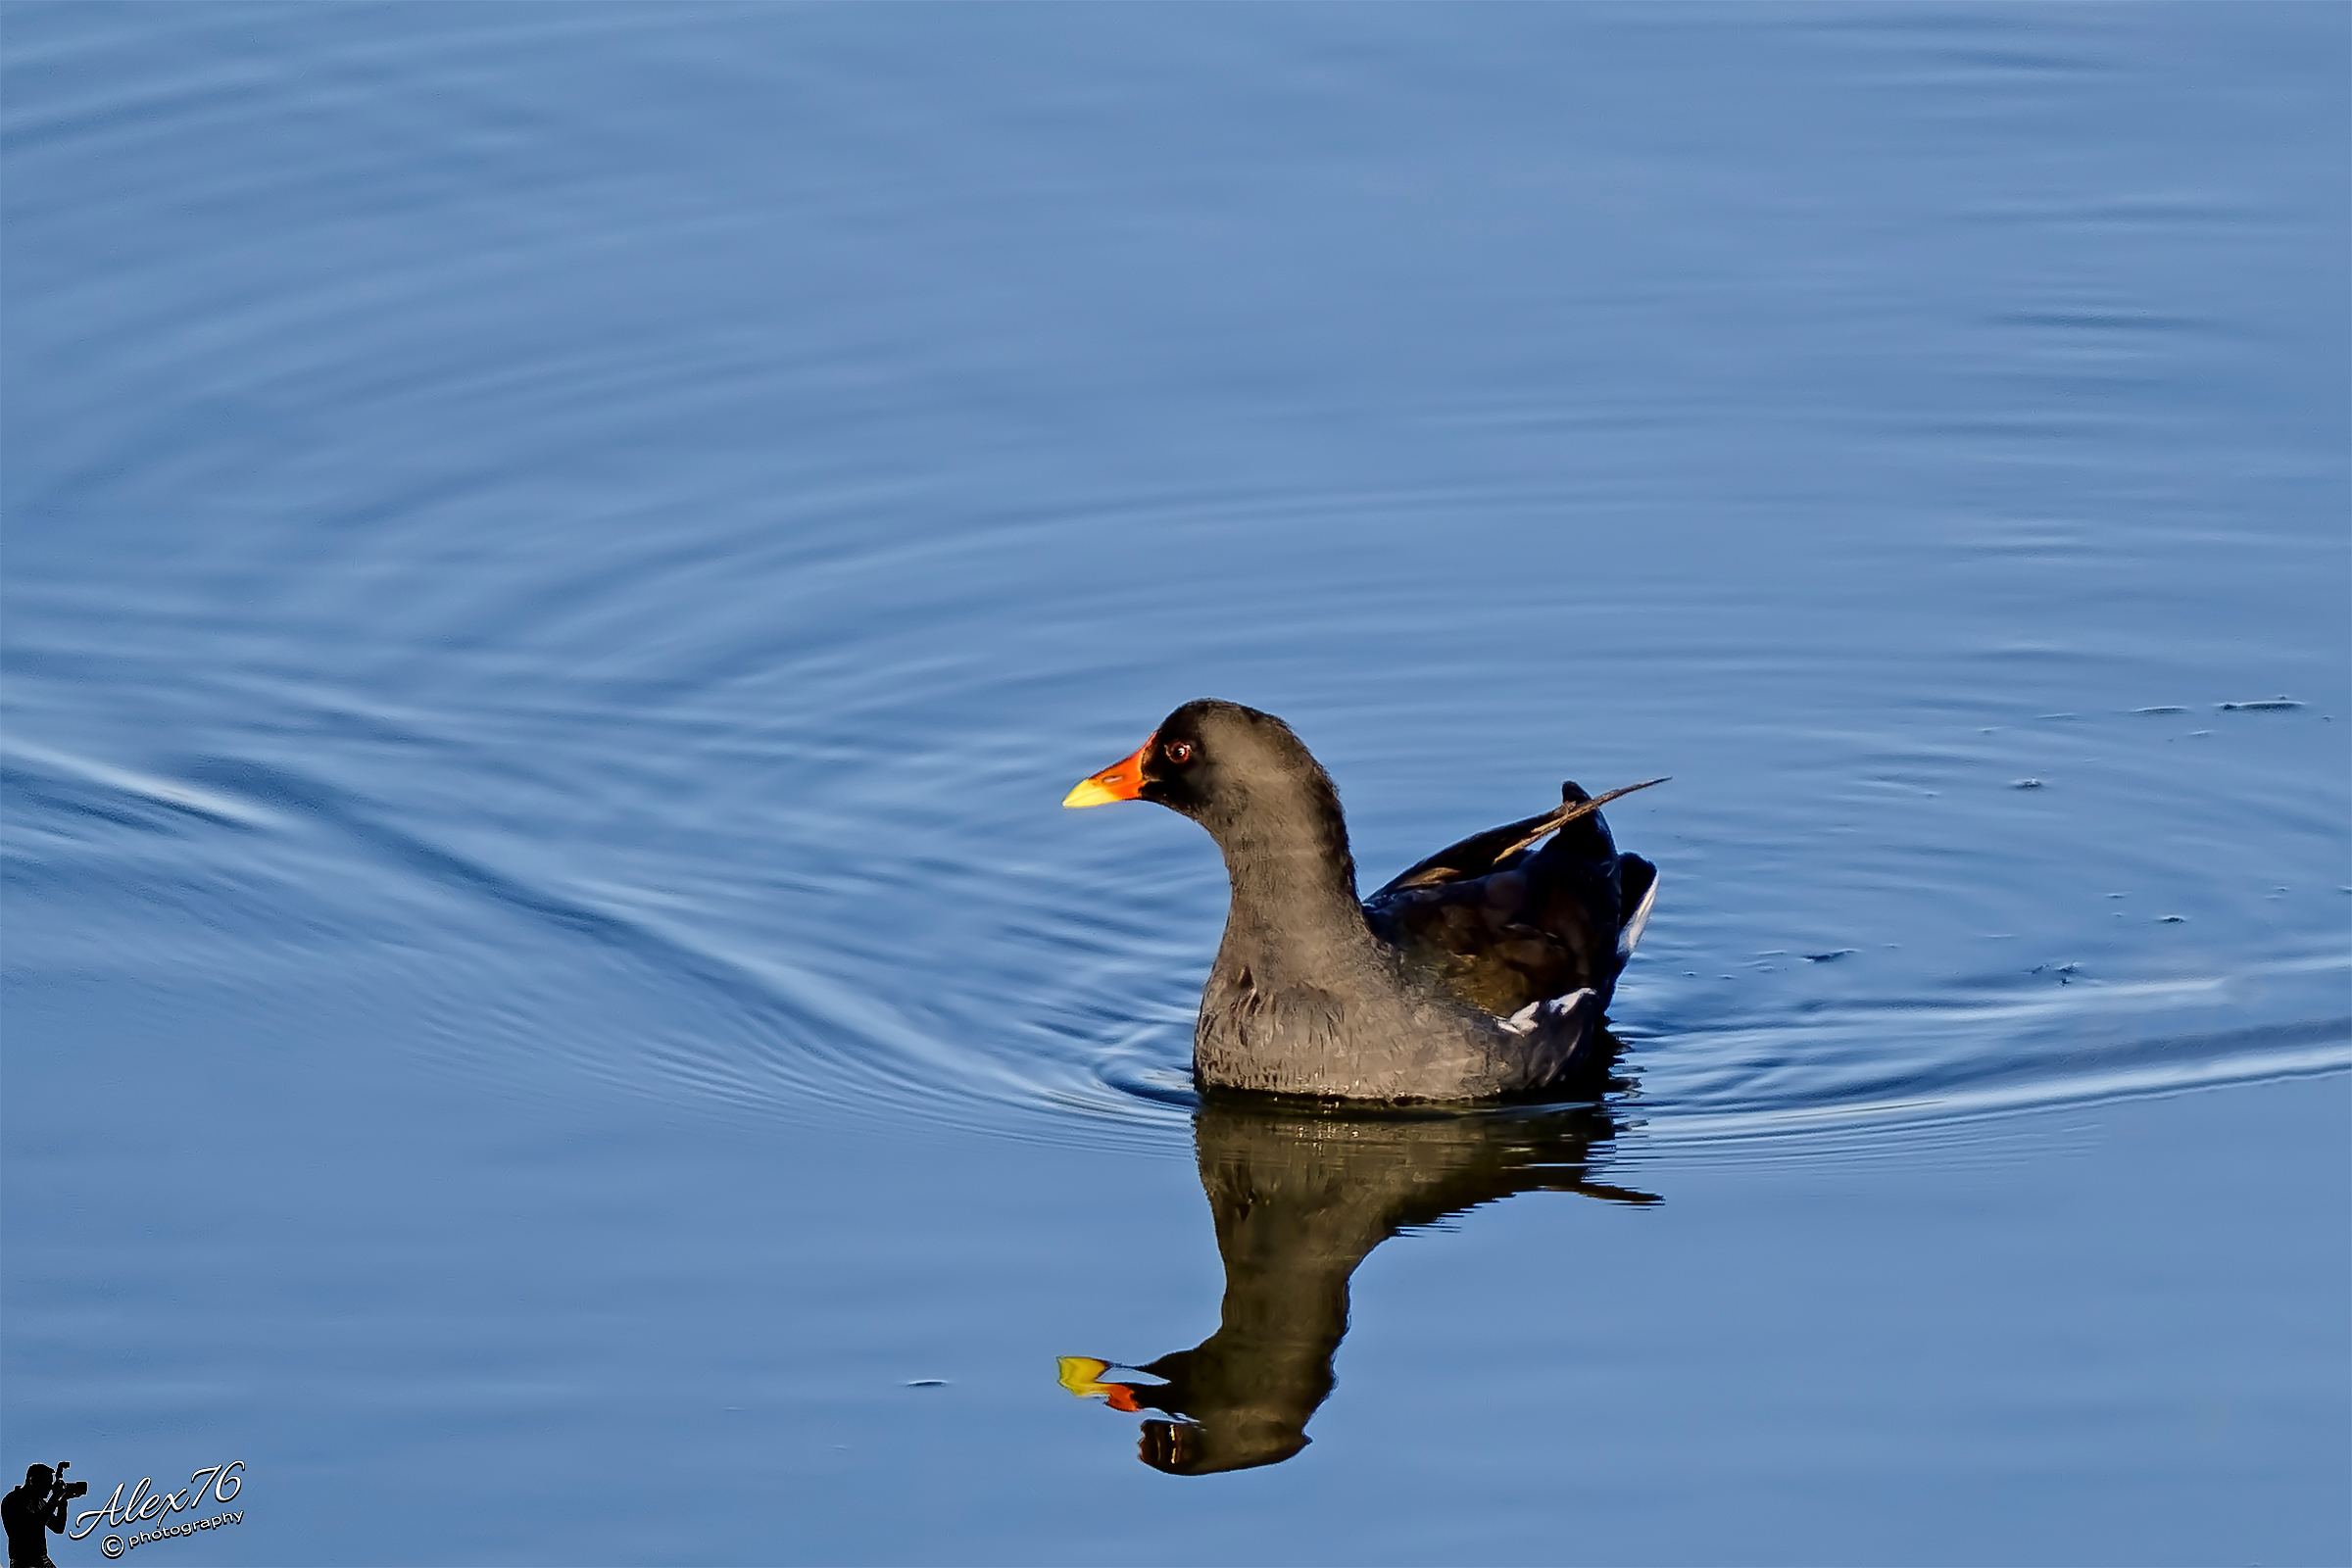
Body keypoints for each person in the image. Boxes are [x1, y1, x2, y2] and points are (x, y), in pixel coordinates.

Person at [1, 1466, 67, 1568]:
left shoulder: (38, 1502)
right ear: (32, 1481)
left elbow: (58, 1527)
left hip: (41, 1559)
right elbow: (33, 1526)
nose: (50, 1488)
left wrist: (62, 1502)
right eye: (46, 1484)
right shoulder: (13, 1500)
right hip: (23, 1562)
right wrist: (54, 1498)